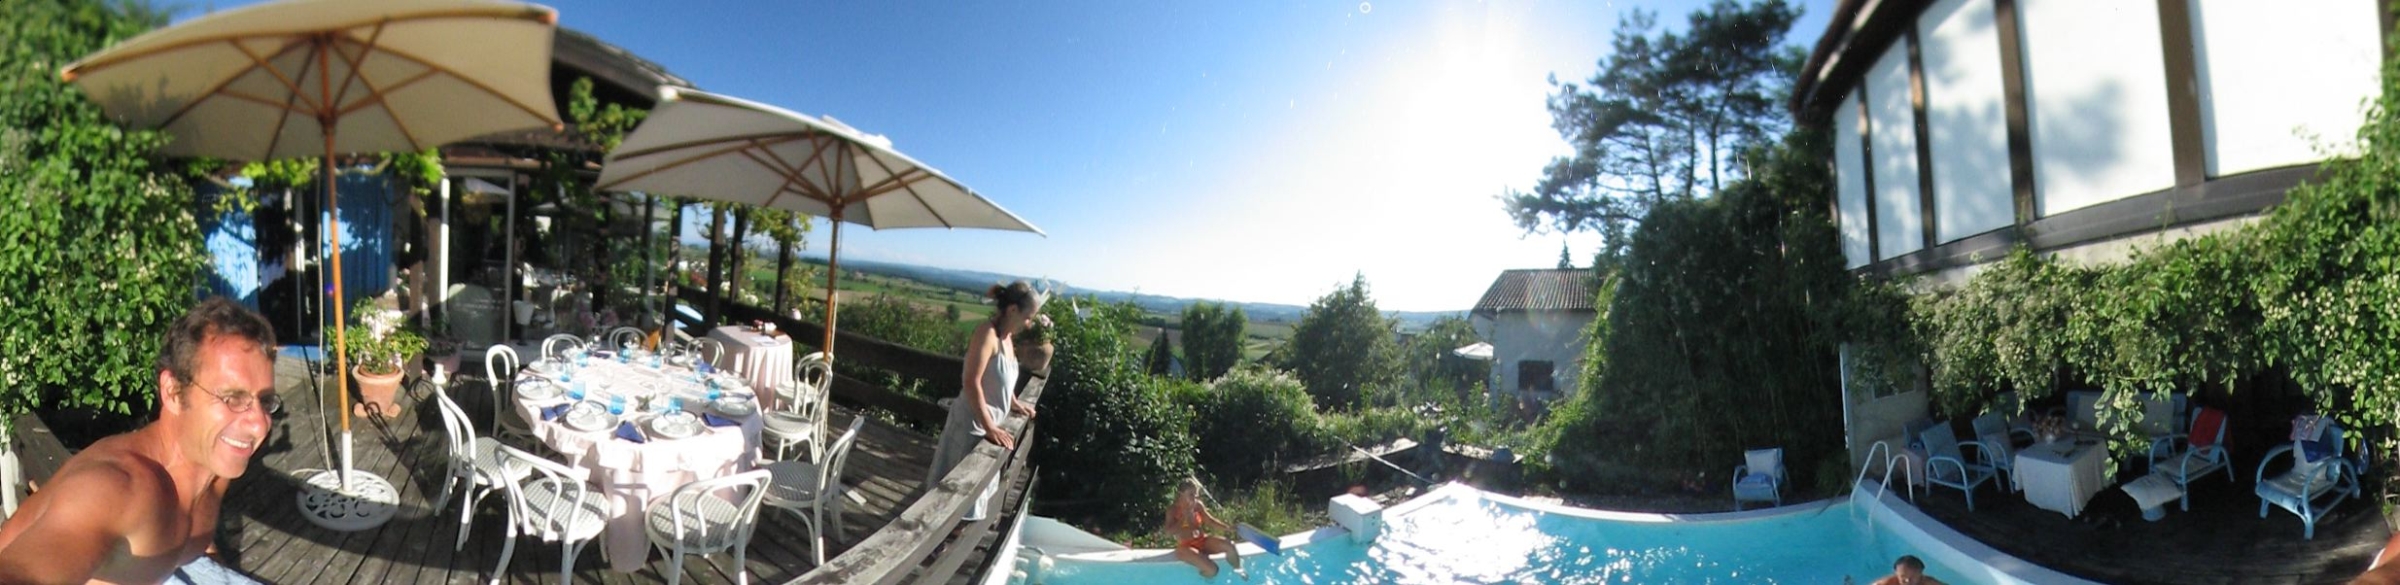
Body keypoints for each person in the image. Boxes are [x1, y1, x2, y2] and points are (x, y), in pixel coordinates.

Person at [0, 298, 279, 583]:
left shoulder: (217, 460)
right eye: (232, 398)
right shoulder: (119, 489)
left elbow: (192, 530)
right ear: (172, 392)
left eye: (266, 401)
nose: (259, 424)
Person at [925, 281, 1041, 521]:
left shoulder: (1007, 338)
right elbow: (971, 381)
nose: (1029, 323)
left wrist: (1014, 402)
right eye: (1028, 317)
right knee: (950, 501)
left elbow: (1002, 377)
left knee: (970, 501)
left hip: (986, 428)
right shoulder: (986, 334)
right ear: (1012, 310)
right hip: (971, 427)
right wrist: (990, 427)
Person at [1164, 477, 1245, 580]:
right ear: (1181, 494)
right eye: (1191, 495)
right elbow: (1168, 533)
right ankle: (1202, 580)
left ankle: (1239, 570)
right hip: (1185, 547)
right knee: (1213, 570)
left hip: (1202, 541)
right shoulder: (1173, 510)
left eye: (1196, 495)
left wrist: (1227, 528)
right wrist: (1184, 517)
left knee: (1230, 546)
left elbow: (1210, 521)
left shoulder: (1197, 506)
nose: (1194, 498)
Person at [1871, 555, 1947, 585]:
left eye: (1912, 577)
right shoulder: (1886, 583)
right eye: (1903, 576)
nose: (1907, 581)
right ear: (1896, 574)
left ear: (1920, 574)